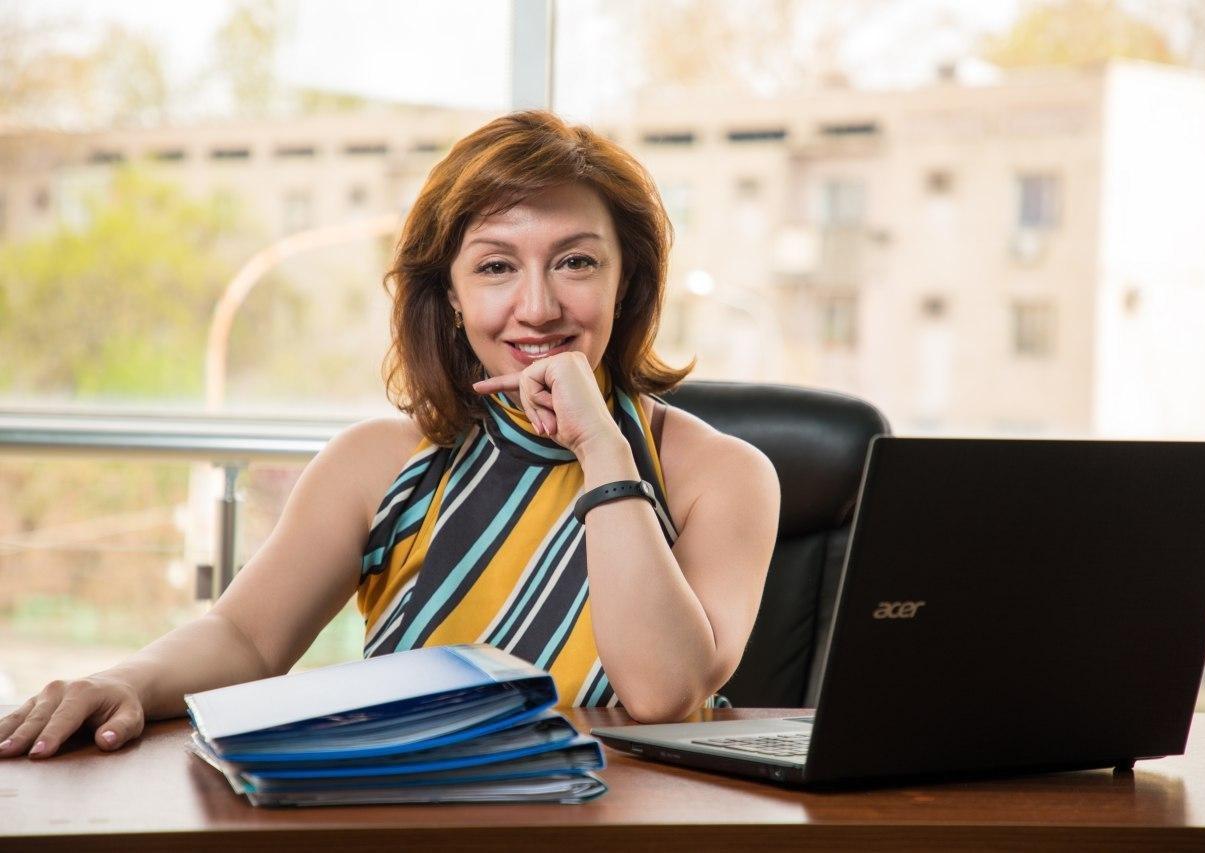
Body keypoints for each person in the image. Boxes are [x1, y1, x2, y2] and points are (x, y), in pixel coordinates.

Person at [0, 110, 780, 760]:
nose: (538, 307)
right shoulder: (377, 461)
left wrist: (603, 450)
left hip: (634, 827)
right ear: (451, 295)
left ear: (626, 281)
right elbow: (245, 636)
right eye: (496, 267)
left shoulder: (723, 473)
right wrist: (128, 679)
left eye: (575, 262)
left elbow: (662, 692)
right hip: (413, 816)